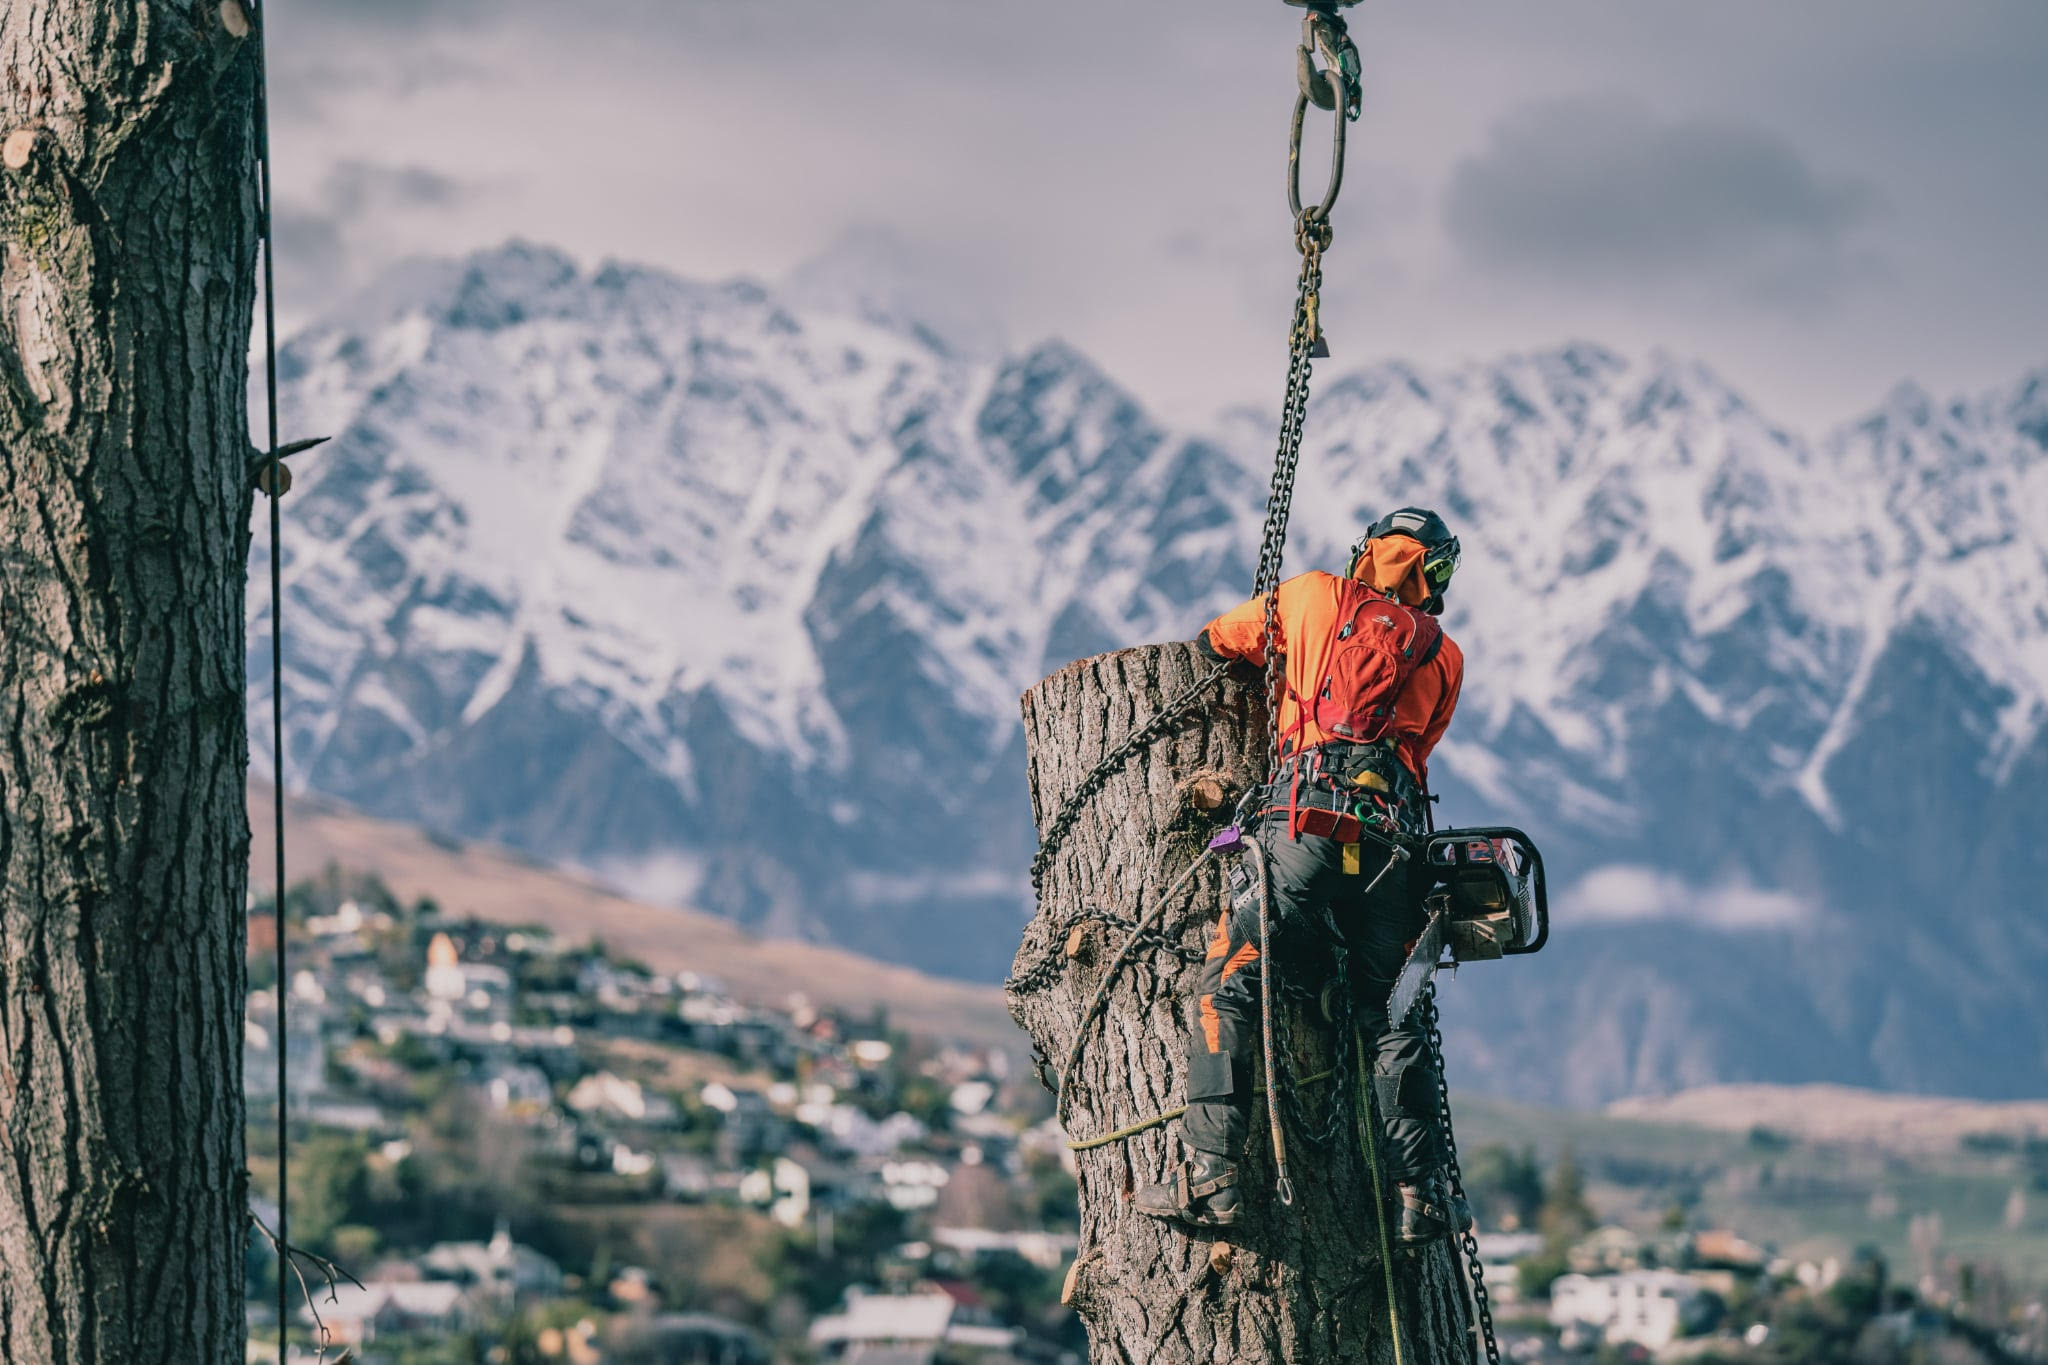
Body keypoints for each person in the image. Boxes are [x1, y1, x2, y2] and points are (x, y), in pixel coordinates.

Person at [1133, 508, 1468, 1243]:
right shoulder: (1445, 656)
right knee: (1390, 1016)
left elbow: (1218, 640)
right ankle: (1421, 1193)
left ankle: (1211, 1177)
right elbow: (1419, 752)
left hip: (1308, 827)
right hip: (1392, 853)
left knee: (1229, 984)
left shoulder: (1312, 596)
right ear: (1429, 572)